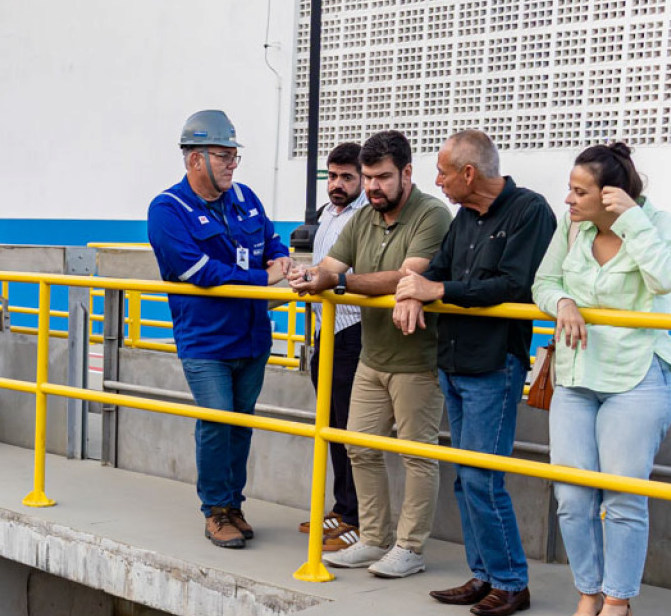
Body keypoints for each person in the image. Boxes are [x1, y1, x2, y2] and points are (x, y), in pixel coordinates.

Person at [531, 142, 671, 616]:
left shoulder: (657, 223)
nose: (569, 200)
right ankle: (588, 592)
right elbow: (543, 281)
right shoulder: (572, 225)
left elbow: (668, 278)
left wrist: (633, 223)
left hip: (638, 376)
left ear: (612, 195)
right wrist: (564, 302)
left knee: (621, 497)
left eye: (580, 192)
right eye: (569, 190)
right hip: (578, 377)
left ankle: (618, 605)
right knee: (573, 496)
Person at [394, 131, 557, 616]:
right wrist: (410, 291)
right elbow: (437, 272)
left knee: (484, 477)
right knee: (467, 479)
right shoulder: (465, 216)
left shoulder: (530, 211)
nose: (437, 181)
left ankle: (511, 581)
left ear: (469, 173)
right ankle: (484, 574)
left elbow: (515, 286)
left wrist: (433, 289)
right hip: (454, 360)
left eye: (443, 172)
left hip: (494, 365)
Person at [291, 130, 451, 579]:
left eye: (383, 177)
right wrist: (310, 277)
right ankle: (374, 539)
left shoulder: (432, 214)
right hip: (372, 354)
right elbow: (332, 268)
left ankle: (410, 547)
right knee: (358, 445)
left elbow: (406, 277)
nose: (374, 186)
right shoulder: (362, 218)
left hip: (417, 358)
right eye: (368, 177)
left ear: (406, 173)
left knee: (418, 455)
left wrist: (337, 283)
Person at [147, 109, 292, 549]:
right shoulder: (168, 210)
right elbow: (199, 270)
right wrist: (266, 278)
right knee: (216, 421)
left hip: (252, 336)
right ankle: (214, 510)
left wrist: (280, 258)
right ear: (195, 159)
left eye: (235, 156)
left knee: (241, 424)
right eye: (224, 156)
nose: (232, 164)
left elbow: (272, 241)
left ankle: (234, 505)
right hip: (207, 341)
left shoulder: (245, 197)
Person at [297, 143, 365, 554]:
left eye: (347, 177)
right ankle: (342, 509)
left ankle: (356, 519)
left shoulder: (365, 217)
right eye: (332, 176)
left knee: (351, 429)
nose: (337, 185)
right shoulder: (328, 216)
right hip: (327, 331)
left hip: (354, 331)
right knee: (332, 428)